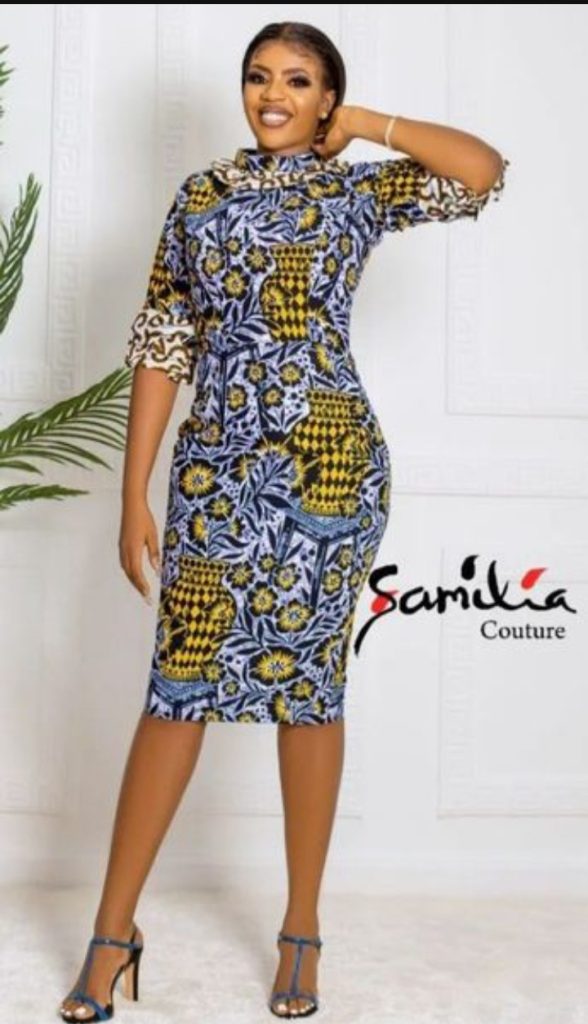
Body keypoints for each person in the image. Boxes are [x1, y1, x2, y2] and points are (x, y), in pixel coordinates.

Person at [58, 19, 509, 1023]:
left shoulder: (358, 191)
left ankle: (301, 929)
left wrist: (367, 124)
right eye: (259, 76)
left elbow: (482, 171)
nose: (272, 94)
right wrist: (134, 491)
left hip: (330, 473)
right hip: (215, 474)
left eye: (298, 81)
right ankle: (112, 934)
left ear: (325, 98)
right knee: (177, 688)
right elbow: (163, 341)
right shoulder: (201, 198)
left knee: (310, 687)